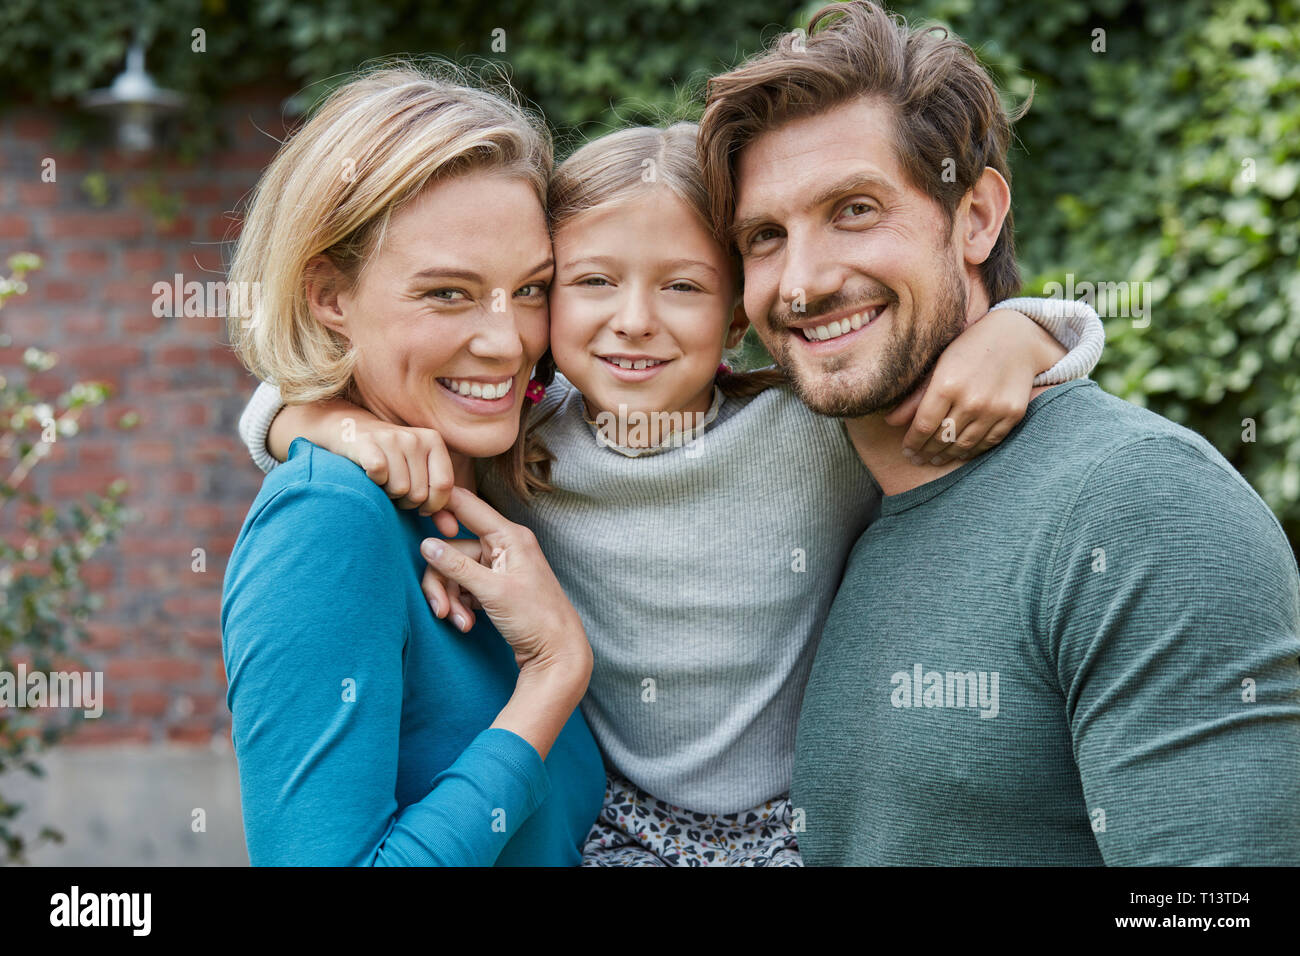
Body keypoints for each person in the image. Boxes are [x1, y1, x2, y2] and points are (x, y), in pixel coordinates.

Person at [236, 114, 1103, 863]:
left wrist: (1014, 333)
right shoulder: (524, 445)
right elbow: (286, 408)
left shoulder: (808, 433)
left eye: (683, 286)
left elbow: (989, 351)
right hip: (623, 831)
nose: (635, 320)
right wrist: (320, 423)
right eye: (589, 283)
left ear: (738, 311)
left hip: (796, 827)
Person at [697, 0, 1300, 864]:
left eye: (856, 210)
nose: (804, 282)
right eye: (764, 236)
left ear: (976, 217)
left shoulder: (1140, 505)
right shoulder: (808, 502)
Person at [220, 65, 605, 866]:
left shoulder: (508, 455)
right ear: (329, 295)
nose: (507, 343)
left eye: (531, 289)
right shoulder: (328, 519)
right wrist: (551, 678)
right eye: (448, 295)